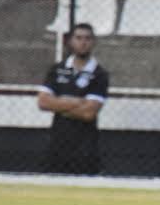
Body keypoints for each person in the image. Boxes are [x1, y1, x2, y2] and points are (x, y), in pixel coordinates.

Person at [37, 23, 110, 174]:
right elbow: (43, 102)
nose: (83, 42)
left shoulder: (99, 74)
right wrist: (76, 102)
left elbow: (88, 113)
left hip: (86, 145)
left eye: (87, 38)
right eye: (78, 38)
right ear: (70, 41)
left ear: (93, 42)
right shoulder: (57, 69)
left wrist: (59, 104)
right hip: (57, 141)